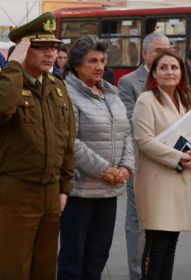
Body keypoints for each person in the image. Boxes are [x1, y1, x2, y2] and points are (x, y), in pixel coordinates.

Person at [0, 12, 76, 279]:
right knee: (14, 268)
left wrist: (64, 188)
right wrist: (12, 68)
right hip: (17, 190)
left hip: (51, 190)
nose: (50, 53)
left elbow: (67, 140)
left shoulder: (57, 86)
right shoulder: (7, 84)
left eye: (53, 47)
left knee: (45, 268)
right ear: (21, 49)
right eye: (40, 47)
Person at [57, 35, 135, 280]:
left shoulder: (110, 92)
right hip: (80, 190)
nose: (99, 66)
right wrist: (105, 169)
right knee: (73, 258)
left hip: (109, 190)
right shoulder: (66, 94)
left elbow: (127, 131)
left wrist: (126, 166)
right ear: (77, 64)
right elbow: (70, 142)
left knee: (98, 256)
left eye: (102, 60)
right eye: (92, 61)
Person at [132, 49, 191, 280]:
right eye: (163, 67)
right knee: (157, 245)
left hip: (179, 181)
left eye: (174, 67)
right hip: (157, 182)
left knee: (171, 243)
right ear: (154, 72)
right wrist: (179, 157)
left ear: (182, 73)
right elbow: (143, 140)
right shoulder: (146, 100)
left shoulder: (183, 100)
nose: (169, 72)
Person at [118, 32, 170, 280]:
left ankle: (158, 271)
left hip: (170, 162)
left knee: (164, 219)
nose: (164, 55)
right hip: (141, 162)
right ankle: (138, 273)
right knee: (138, 220)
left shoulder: (173, 80)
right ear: (145, 53)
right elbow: (129, 124)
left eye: (168, 49)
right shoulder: (129, 82)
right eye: (159, 50)